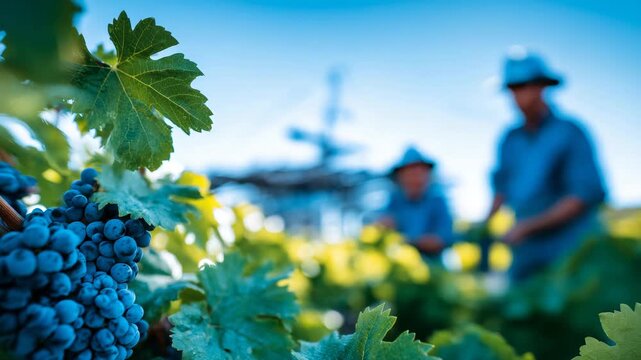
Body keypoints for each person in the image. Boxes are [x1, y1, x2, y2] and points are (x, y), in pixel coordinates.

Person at [487, 50, 607, 281]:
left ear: (542, 87)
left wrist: (528, 227)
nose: (518, 95)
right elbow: (500, 190)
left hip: (572, 248)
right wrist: (484, 227)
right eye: (513, 89)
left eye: (525, 86)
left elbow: (582, 195)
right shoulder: (509, 139)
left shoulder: (570, 132)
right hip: (526, 253)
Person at [380, 146, 454, 256]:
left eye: (420, 173)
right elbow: (382, 225)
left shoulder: (437, 201)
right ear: (400, 177)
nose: (416, 179)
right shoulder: (395, 200)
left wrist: (409, 241)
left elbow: (442, 239)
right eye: (410, 174)